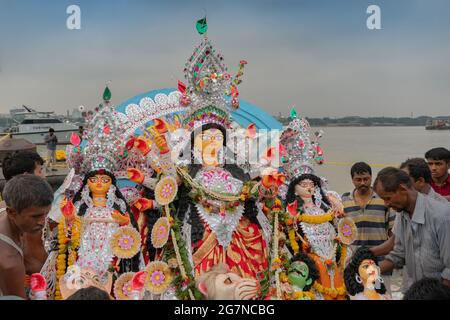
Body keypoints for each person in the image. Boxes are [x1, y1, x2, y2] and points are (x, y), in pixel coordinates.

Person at [374, 167, 450, 294]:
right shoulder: (402, 214)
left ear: (403, 189)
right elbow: (399, 254)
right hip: (413, 291)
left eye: (388, 198)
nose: (386, 204)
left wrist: (438, 294)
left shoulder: (441, 216)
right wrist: (370, 271)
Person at [342, 162, 395, 293]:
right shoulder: (344, 201)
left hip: (380, 263)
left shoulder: (384, 199)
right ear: (352, 180)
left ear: (371, 178)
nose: (362, 183)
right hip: (353, 263)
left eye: (366, 179)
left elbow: (392, 233)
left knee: (381, 295)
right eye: (358, 180)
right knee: (357, 295)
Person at [0, 175, 53, 298]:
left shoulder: (6, 206)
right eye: (36, 216)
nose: (42, 221)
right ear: (12, 212)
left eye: (46, 213)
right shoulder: (9, 262)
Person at [0, 151, 48, 278]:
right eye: (40, 171)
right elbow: (38, 266)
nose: (44, 176)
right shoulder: (28, 218)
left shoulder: (5, 207)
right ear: (26, 177)